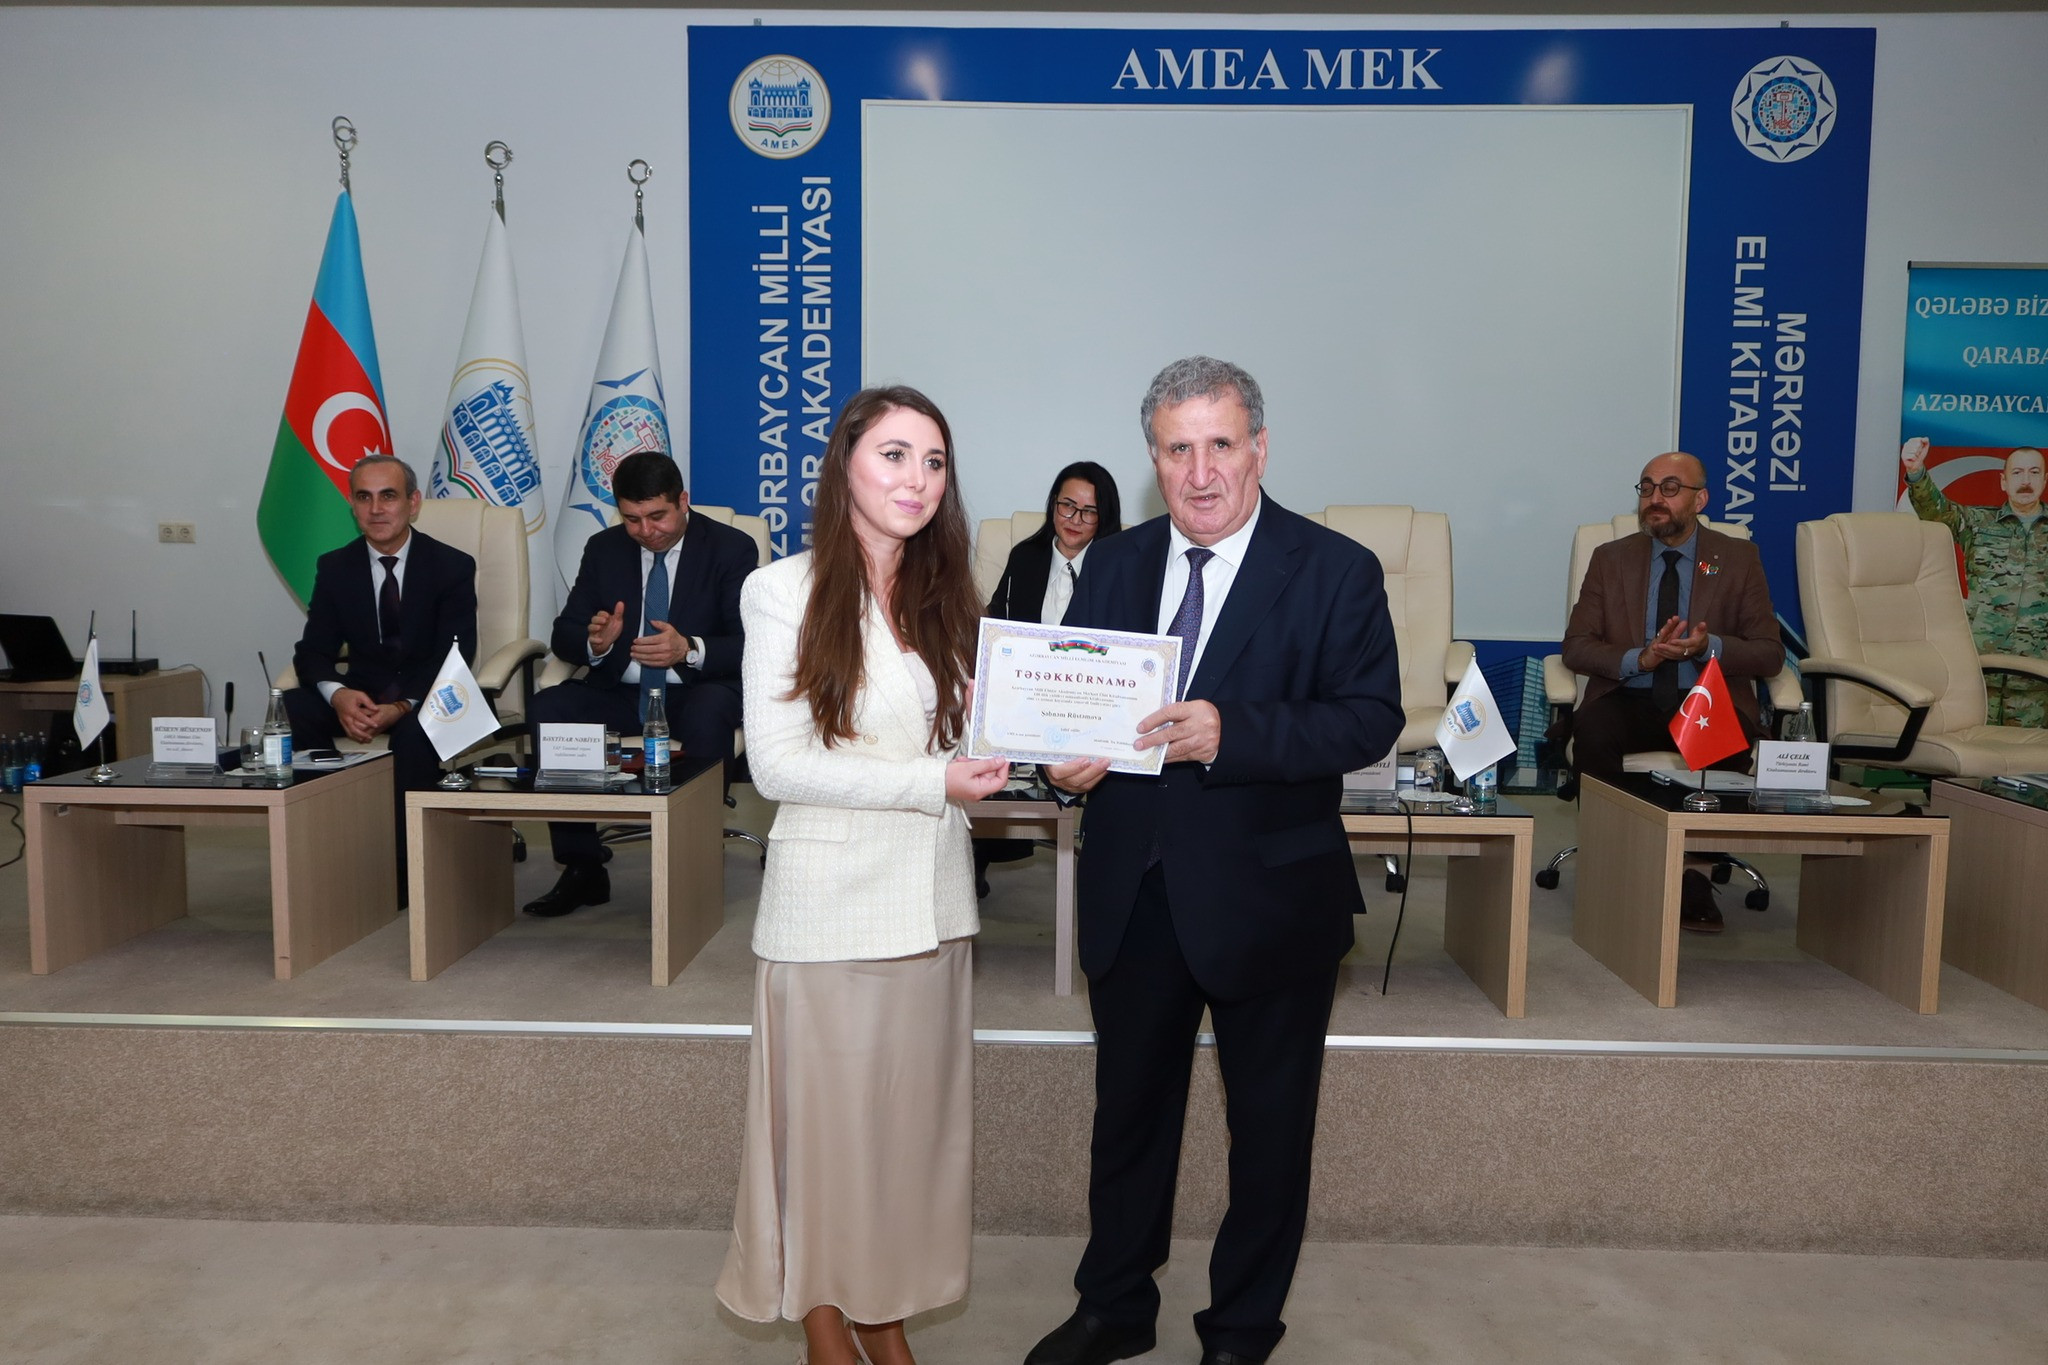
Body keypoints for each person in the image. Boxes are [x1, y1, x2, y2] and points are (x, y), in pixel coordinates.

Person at [1024, 357, 1402, 1365]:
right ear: (1152, 460)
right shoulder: (1112, 564)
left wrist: (1234, 732)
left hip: (1270, 896)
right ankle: (1113, 1305)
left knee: (1268, 1133)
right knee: (1127, 1119)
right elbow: (1071, 707)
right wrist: (1061, 765)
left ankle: (1240, 1329)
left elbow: (1368, 718)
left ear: (1259, 449)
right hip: (1133, 887)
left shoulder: (1334, 568)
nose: (1199, 472)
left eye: (1219, 445)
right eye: (1176, 449)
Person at [715, 386, 1009, 1365]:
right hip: (831, 917)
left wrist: (1040, 741)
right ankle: (825, 1327)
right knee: (831, 1141)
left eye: (934, 461)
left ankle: (881, 1314)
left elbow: (963, 739)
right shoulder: (782, 590)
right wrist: (935, 781)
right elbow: (779, 766)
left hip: (933, 909)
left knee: (904, 1144)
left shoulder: (947, 596)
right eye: (893, 454)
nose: (916, 479)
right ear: (844, 462)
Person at [522, 451, 756, 917]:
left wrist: (688, 648)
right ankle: (583, 867)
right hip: (621, 692)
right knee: (551, 707)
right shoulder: (604, 549)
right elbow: (564, 633)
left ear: (683, 501)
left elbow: (753, 642)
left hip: (698, 690)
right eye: (632, 519)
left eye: (657, 516)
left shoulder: (731, 548)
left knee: (709, 711)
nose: (646, 531)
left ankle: (692, 866)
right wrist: (595, 643)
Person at [1560, 451, 1783, 932]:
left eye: (1669, 488)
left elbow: (1769, 653)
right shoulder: (1611, 558)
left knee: (1723, 740)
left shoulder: (1738, 558)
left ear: (1700, 500)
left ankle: (1695, 876)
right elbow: (1576, 647)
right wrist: (1638, 659)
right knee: (1593, 732)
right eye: (1646, 487)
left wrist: (1709, 647)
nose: (1654, 498)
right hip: (1628, 695)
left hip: (1704, 698)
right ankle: (1611, 868)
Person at [286, 453, 478, 890]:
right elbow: (312, 652)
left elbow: (456, 655)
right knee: (295, 709)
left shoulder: (451, 565)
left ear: (413, 503)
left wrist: (403, 705)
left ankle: (404, 872)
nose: (376, 509)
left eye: (388, 496)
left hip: (434, 693)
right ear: (352, 506)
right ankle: (330, 841)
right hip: (364, 692)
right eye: (364, 497)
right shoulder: (335, 567)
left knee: (414, 733)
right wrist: (338, 696)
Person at [977, 461, 1125, 893]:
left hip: (1095, 706)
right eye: (1066, 505)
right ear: (1053, 505)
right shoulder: (1026, 556)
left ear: (1104, 517)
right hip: (1028, 699)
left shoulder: (1120, 567)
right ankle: (980, 855)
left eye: (1089, 511)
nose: (1074, 519)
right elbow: (999, 628)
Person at [1901, 437, 2048, 727]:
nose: (2025, 481)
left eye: (2034, 473)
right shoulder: (1979, 523)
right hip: (1980, 670)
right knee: (1973, 748)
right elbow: (1936, 510)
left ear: (2044, 480)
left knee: (2029, 754)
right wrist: (1916, 471)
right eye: (2017, 473)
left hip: (2038, 679)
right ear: (2003, 481)